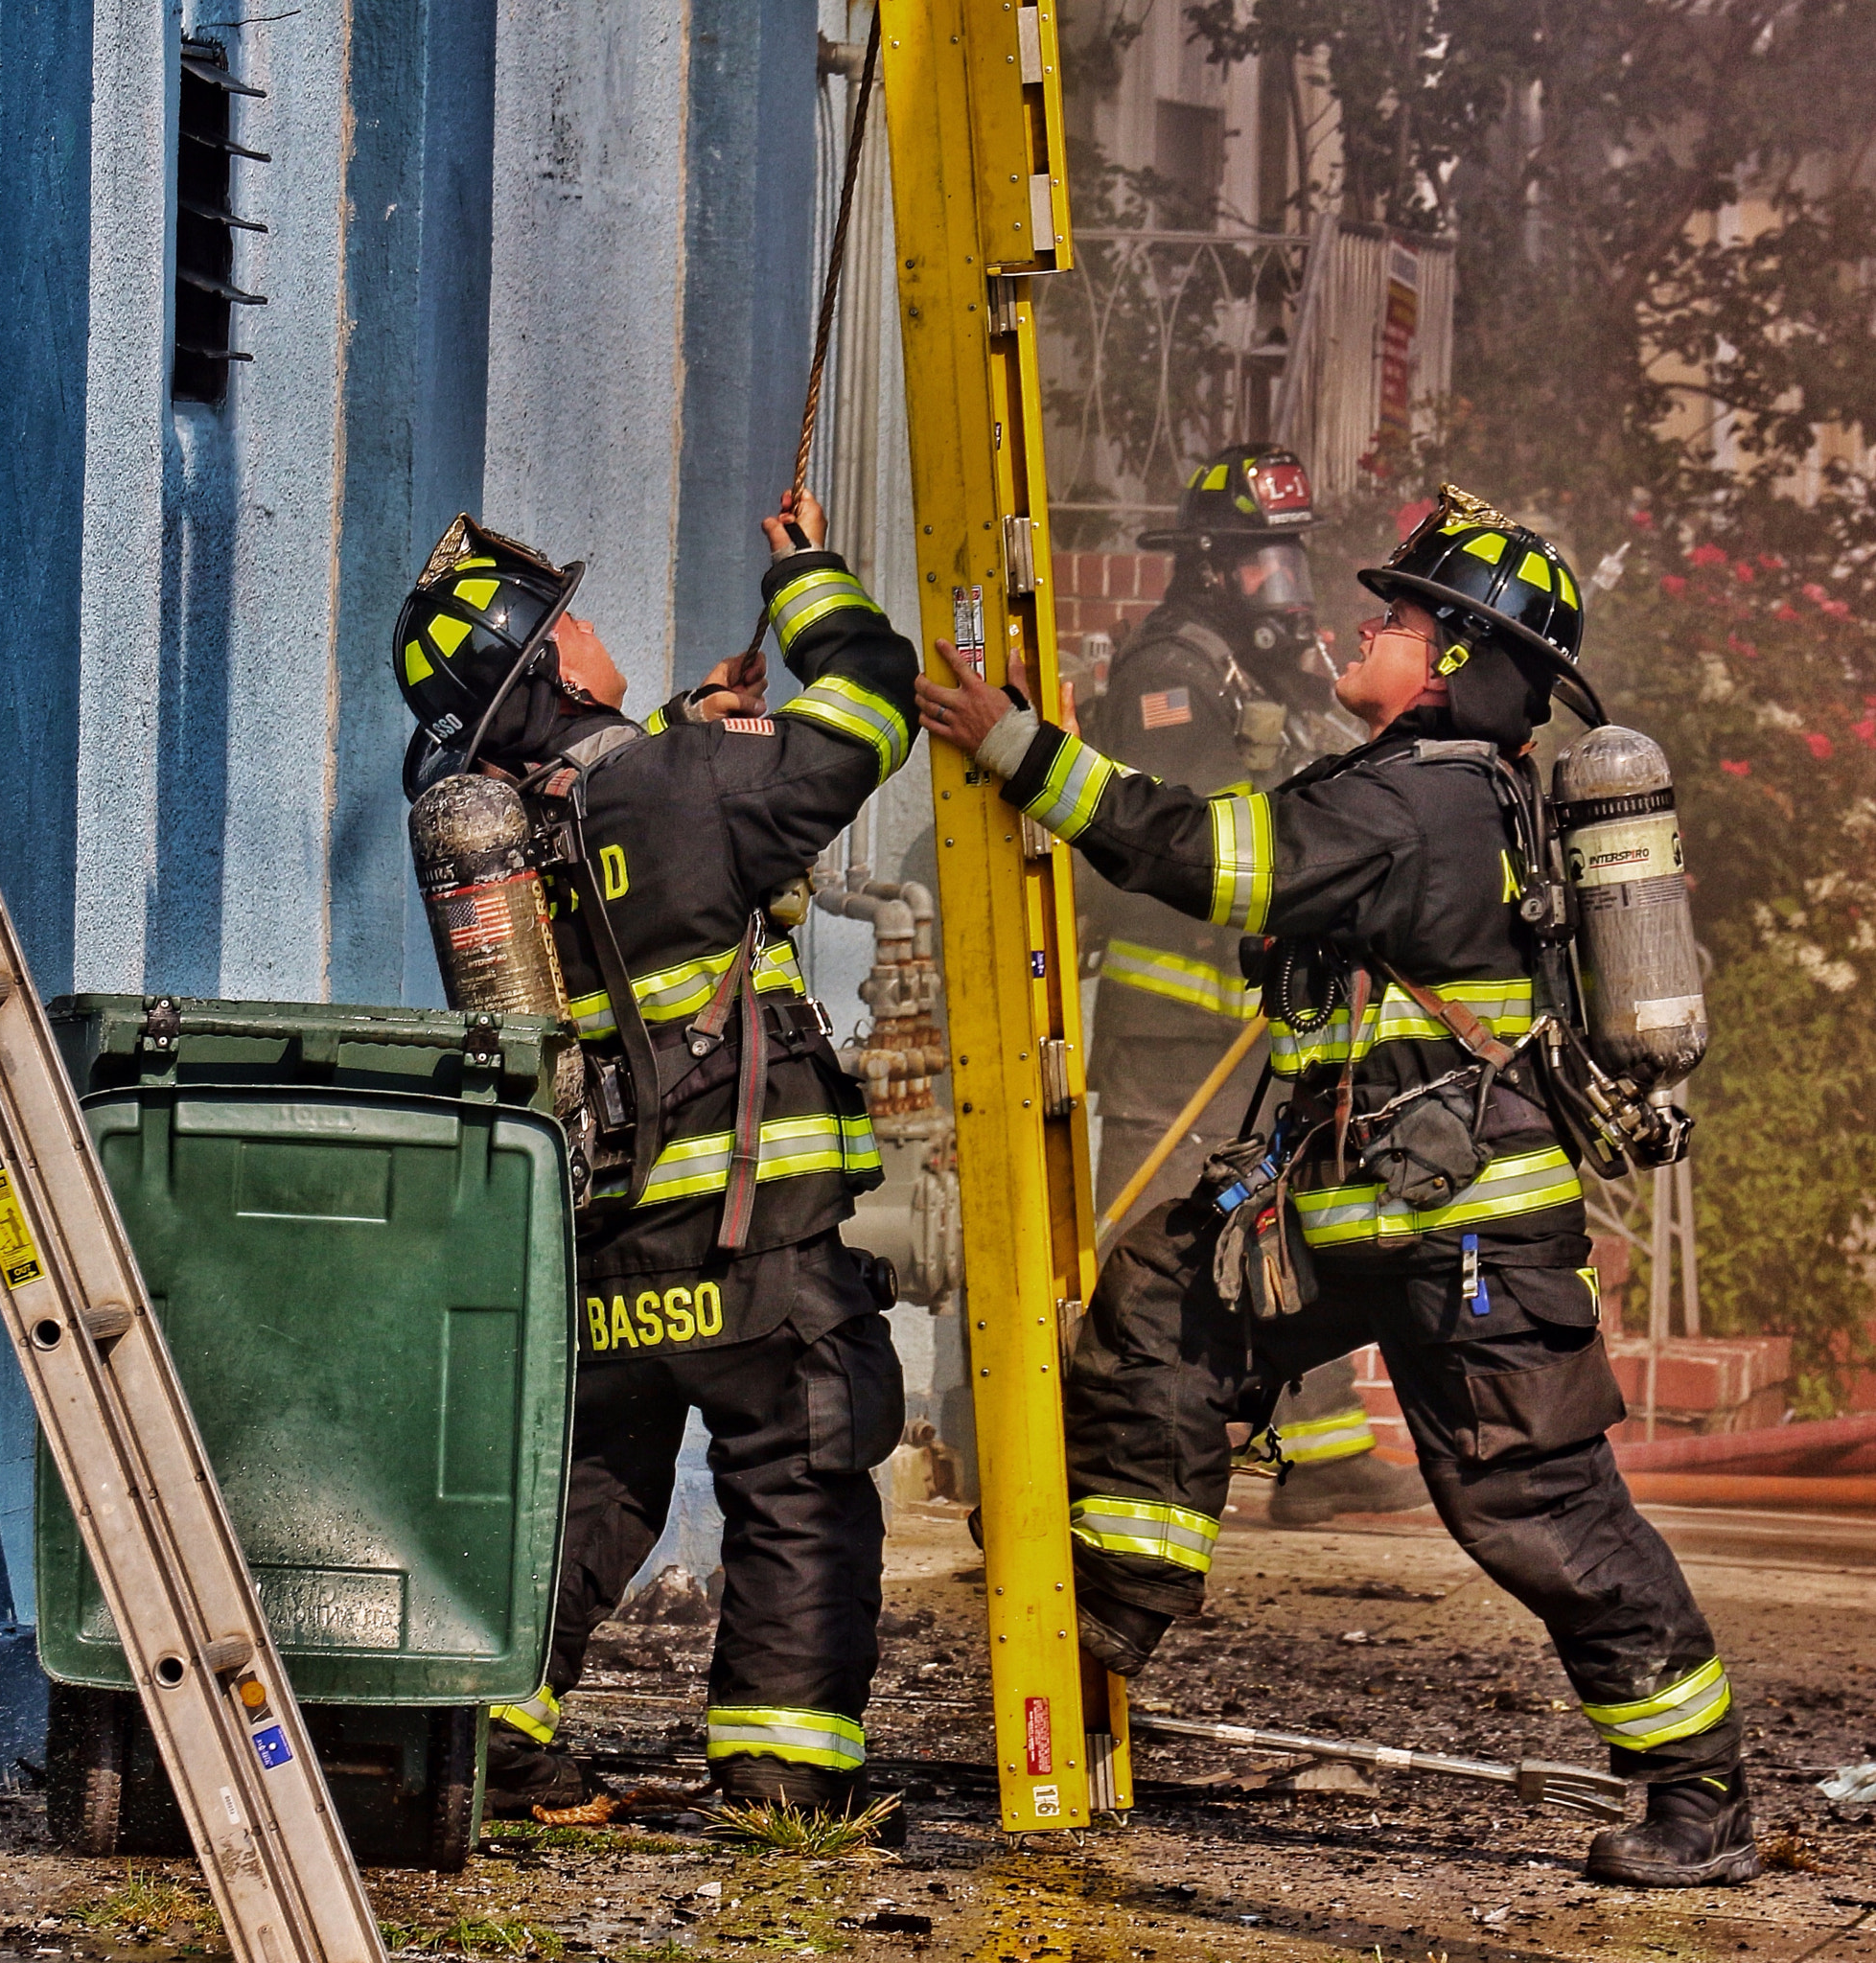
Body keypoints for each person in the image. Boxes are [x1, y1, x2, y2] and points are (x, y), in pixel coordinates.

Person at [916, 485, 1756, 1887]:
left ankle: (1697, 1795)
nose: (1367, 623)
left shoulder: (1416, 800)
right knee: (1164, 1301)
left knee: (1535, 1513)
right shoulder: (1438, 790)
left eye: (1399, 612)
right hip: (1361, 1208)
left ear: (1450, 662)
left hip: (1465, 1238)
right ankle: (1104, 1618)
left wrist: (1015, 748)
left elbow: (1205, 859)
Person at [393, 490, 918, 1833]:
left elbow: (638, 850)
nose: (591, 628)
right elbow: (871, 705)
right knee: (799, 1483)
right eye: (571, 619)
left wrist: (695, 729)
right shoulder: (690, 787)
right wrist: (807, 580)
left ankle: (485, 1739)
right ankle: (782, 1777)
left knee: (587, 1489)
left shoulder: (509, 850)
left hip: (605, 1240)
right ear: (555, 664)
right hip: (758, 1244)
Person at [1080, 446, 1424, 1528]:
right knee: (1139, 1236)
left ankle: (1321, 1456)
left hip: (1250, 1021)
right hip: (1171, 1022)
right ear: (1211, 565)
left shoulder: (1259, 667)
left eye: (1292, 557)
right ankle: (1077, 1447)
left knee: (1283, 1223)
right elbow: (1203, 837)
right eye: (1261, 562)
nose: (1285, 585)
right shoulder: (1170, 673)